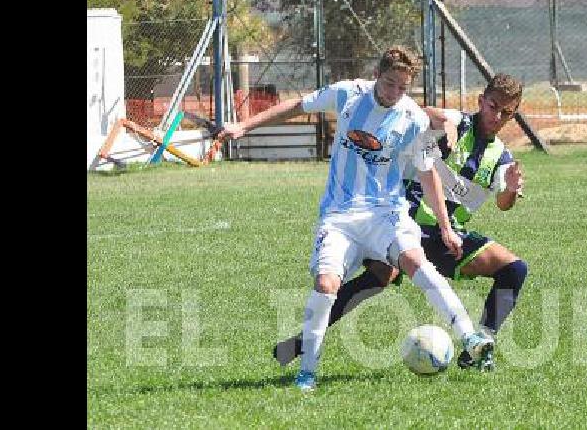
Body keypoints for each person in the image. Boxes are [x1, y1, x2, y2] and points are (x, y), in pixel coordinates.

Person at [221, 46, 494, 392]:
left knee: (416, 263)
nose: (394, 93)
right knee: (326, 285)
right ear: (377, 74)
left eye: (402, 87)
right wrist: (244, 126)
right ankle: (307, 372)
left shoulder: (413, 119)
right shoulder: (348, 93)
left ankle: (469, 336)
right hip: (339, 216)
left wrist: (444, 227)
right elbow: (296, 106)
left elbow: (429, 175)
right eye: (390, 83)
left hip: (386, 214)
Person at [272, 73, 530, 371]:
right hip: (404, 223)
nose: (496, 116)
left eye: (506, 113)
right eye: (493, 106)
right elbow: (421, 111)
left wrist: (510, 189)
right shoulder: (458, 123)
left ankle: (480, 347)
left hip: (448, 239)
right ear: (481, 101)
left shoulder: (502, 158)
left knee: (514, 268)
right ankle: (304, 342)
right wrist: (442, 122)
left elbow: (504, 204)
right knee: (381, 276)